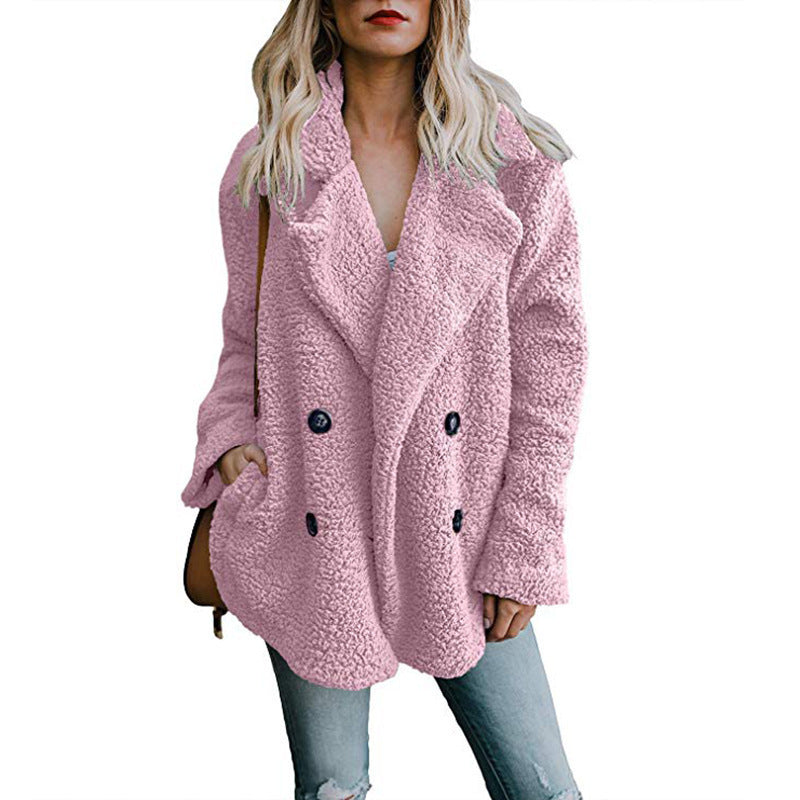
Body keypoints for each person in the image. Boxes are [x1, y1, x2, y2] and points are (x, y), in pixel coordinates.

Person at [181, 2, 588, 798]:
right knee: (333, 790)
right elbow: (242, 340)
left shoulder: (513, 162)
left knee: (544, 789)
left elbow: (554, 368)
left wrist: (525, 540)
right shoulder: (272, 164)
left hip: (465, 530)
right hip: (315, 530)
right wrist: (231, 448)